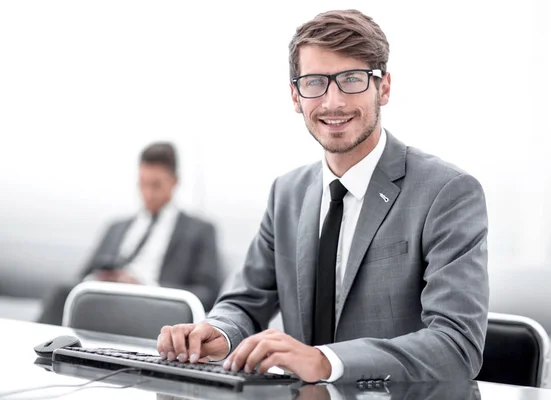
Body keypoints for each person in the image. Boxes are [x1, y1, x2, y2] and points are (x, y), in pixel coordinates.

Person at [157, 9, 489, 384]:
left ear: (384, 87)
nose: (333, 102)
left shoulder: (446, 192)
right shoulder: (287, 193)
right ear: (296, 96)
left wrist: (326, 361)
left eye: (351, 79)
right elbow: (244, 302)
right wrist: (219, 332)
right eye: (315, 82)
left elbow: (457, 345)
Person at [38, 142, 224, 325]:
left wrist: (146, 287)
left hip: (152, 304)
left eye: (156, 185)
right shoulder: (116, 227)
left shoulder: (200, 230)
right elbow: (82, 276)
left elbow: (208, 293)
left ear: (174, 182)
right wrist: (104, 278)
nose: (148, 194)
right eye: (142, 184)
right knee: (63, 292)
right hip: (104, 299)